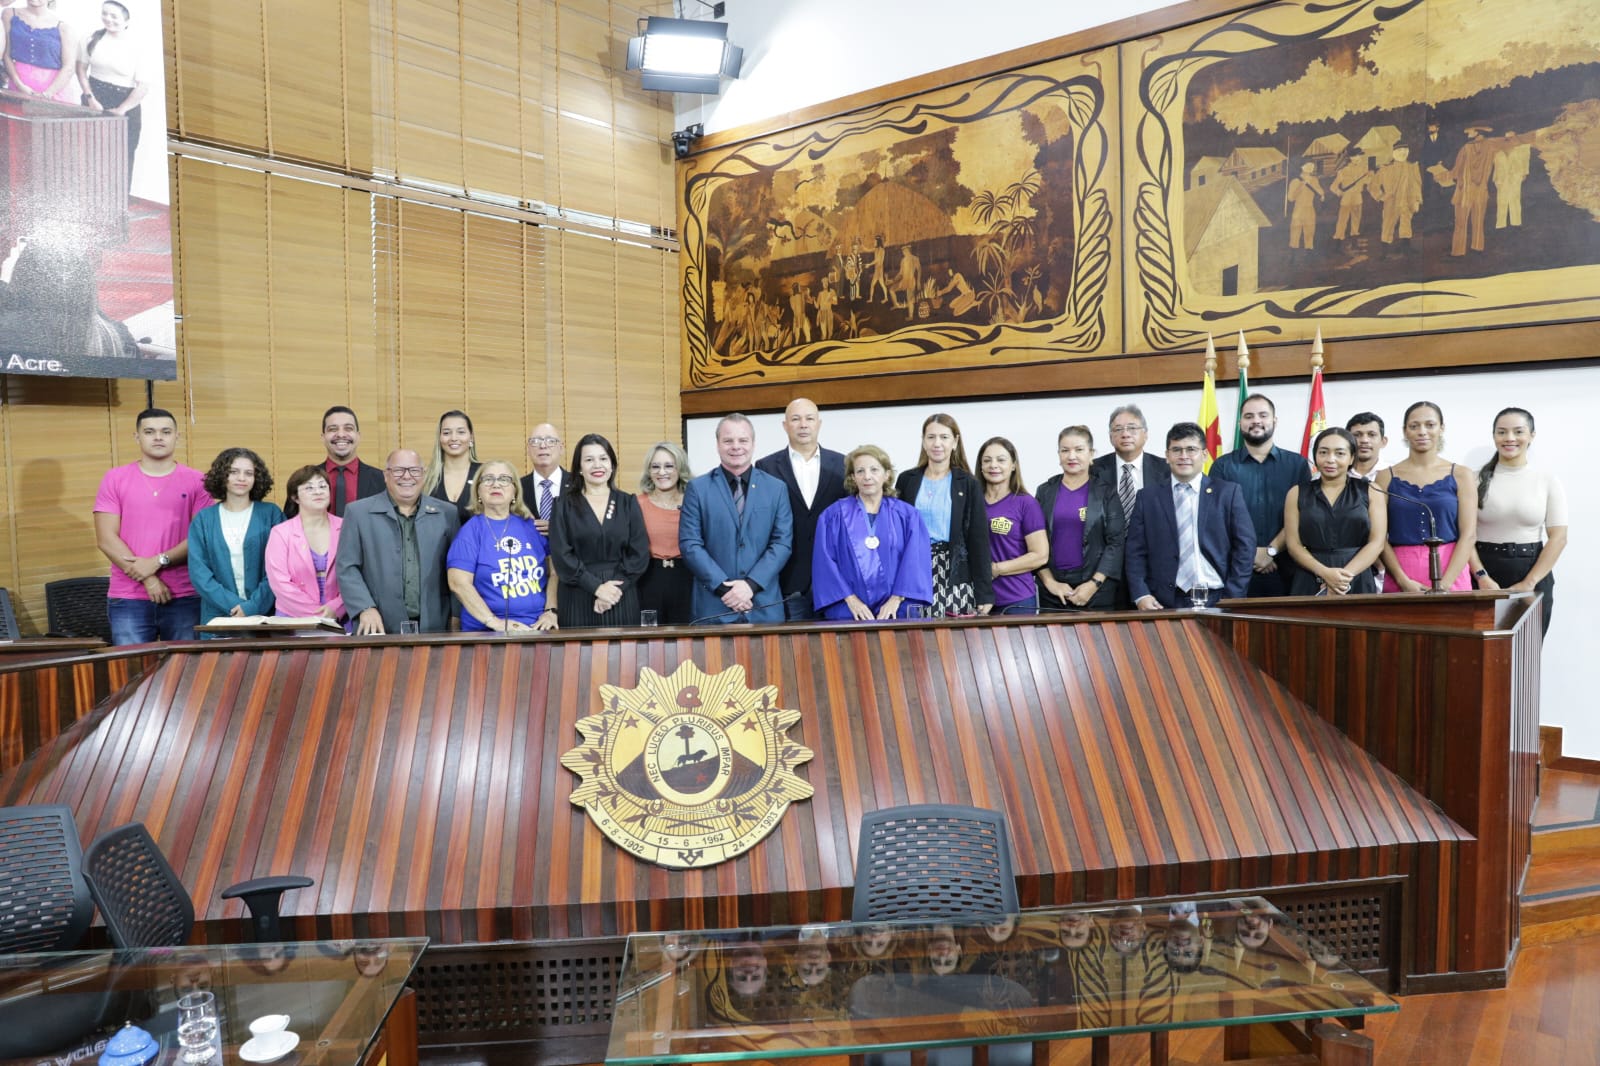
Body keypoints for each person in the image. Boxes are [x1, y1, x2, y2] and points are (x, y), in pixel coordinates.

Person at [93, 408, 213, 644]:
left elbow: (201, 538)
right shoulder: (115, 478)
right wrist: (148, 578)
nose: (158, 437)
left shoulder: (199, 482)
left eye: (165, 432)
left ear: (177, 437)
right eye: (150, 432)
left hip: (185, 595)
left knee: (184, 672)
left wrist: (159, 561)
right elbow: (106, 538)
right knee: (131, 673)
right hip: (128, 598)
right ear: (137, 437)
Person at [1125, 422, 1255, 609]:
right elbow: (1135, 552)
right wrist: (1141, 594)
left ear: (1204, 454)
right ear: (1167, 456)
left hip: (1218, 596)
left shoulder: (1228, 493)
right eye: (1176, 450)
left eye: (1191, 449)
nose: (1183, 456)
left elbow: (1245, 546)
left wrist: (1233, 596)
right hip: (1162, 601)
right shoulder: (1147, 498)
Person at [680, 414, 794, 624]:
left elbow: (782, 543)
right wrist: (726, 589)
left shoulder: (776, 488)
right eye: (728, 440)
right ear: (717, 444)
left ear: (753, 443)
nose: (736, 446)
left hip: (763, 606)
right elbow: (690, 544)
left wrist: (750, 585)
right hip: (714, 606)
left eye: (743, 440)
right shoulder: (698, 489)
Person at [336, 448, 461, 634]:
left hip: (436, 626)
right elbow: (347, 567)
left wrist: (456, 616)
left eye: (414, 470)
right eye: (398, 470)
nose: (407, 476)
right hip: (378, 626)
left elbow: (457, 569)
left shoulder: (447, 513)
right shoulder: (358, 513)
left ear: (423, 474)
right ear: (386, 475)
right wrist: (364, 607)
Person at [1468, 408, 1567, 634]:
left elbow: (1559, 538)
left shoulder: (1547, 479)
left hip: (1532, 570)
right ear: (1494, 436)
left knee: (1526, 654)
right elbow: (1466, 535)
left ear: (1532, 435)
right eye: (1502, 432)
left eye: (1518, 431)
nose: (1509, 438)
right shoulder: (1473, 479)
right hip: (1483, 573)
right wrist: (1481, 577)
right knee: (1481, 654)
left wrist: (1529, 583)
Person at [810, 445, 931, 620]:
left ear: (887, 474)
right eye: (860, 471)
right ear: (853, 477)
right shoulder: (833, 516)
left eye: (874, 469)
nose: (867, 476)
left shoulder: (907, 516)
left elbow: (915, 560)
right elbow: (825, 563)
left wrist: (896, 600)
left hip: (897, 607)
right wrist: (851, 600)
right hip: (848, 608)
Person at [755, 398, 848, 620]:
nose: (803, 424)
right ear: (785, 425)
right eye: (795, 419)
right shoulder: (765, 467)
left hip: (835, 578)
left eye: (809, 419)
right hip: (788, 579)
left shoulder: (843, 464)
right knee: (793, 651)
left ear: (819, 423)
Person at [1207, 394, 1308, 597]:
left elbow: (1303, 514)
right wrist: (1251, 553)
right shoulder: (1222, 466)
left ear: (1274, 421)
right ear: (1240, 423)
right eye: (1249, 416)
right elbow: (1217, 519)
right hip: (1236, 571)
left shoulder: (1297, 464)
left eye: (1263, 415)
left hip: (1287, 569)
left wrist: (1271, 551)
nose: (1256, 421)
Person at [895, 413, 993, 616]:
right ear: (923, 441)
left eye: (944, 437)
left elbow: (978, 540)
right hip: (914, 569)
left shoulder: (967, 483)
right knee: (915, 636)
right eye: (931, 437)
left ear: (955, 441)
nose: (937, 443)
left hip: (954, 571)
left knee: (954, 641)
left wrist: (984, 593)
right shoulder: (907, 480)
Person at [548, 434, 648, 628]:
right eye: (589, 460)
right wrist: (596, 588)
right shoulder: (562, 505)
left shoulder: (628, 503)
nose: (597, 465)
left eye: (603, 458)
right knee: (578, 657)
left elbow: (639, 553)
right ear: (579, 468)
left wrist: (611, 591)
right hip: (577, 593)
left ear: (612, 464)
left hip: (620, 593)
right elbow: (561, 555)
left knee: (625, 656)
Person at [447, 460, 559, 634]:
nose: (496, 484)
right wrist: (494, 622)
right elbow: (458, 583)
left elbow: (555, 571)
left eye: (504, 479)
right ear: (478, 491)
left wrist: (551, 611)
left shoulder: (531, 526)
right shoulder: (470, 532)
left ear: (515, 490)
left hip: (537, 628)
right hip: (487, 632)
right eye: (488, 479)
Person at [1377, 402, 1476, 593]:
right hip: (1400, 571)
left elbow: (1469, 535)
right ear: (1405, 431)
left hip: (1451, 569)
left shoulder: (1462, 474)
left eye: (1430, 425)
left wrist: (1444, 585)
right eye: (1414, 426)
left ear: (1442, 428)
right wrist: (1402, 580)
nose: (1422, 431)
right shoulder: (1385, 476)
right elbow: (1379, 537)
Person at [187, 448, 284, 629]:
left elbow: (280, 568)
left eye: (249, 473)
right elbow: (199, 573)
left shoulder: (271, 514)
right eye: (234, 472)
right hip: (218, 616)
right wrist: (233, 605)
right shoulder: (204, 519)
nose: (242, 478)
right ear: (222, 476)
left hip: (265, 616)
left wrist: (253, 606)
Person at [1283, 428, 1386, 596]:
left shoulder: (1370, 490)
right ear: (1315, 455)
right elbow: (1293, 545)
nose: (1330, 460)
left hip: (1357, 575)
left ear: (1352, 457)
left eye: (1339, 453)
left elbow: (1377, 543)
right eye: (1323, 452)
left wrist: (1342, 578)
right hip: (1310, 576)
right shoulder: (1296, 493)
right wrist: (1325, 573)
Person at [1036, 426, 1124, 611]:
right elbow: (1034, 543)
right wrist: (1050, 583)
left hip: (1097, 591)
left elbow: (1116, 543)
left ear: (1091, 454)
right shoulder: (1045, 491)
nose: (1071, 456)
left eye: (1079, 450)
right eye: (1065, 450)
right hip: (1053, 593)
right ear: (1058, 454)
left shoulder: (1106, 492)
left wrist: (1094, 584)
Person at [1091, 404, 1168, 607]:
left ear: (1145, 434)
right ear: (1110, 436)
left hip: (1152, 563)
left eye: (1132, 428)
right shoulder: (1094, 470)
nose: (1125, 434)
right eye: (1118, 429)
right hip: (1105, 566)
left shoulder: (1165, 470)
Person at [75, 1, 146, 186]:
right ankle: (88, 200)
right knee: (90, 152)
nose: (108, 19)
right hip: (94, 98)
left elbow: (143, 86)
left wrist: (121, 110)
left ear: (126, 19)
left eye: (114, 16)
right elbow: (81, 69)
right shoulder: (90, 37)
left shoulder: (138, 45)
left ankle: (117, 204)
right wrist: (90, 97)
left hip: (125, 103)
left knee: (122, 155)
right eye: (105, 13)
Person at [976, 437, 1047, 615]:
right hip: (978, 600)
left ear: (1013, 465)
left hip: (1016, 600)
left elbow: (1040, 556)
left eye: (1001, 460)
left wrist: (997, 569)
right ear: (981, 466)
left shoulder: (1026, 503)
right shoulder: (972, 502)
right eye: (987, 460)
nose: (993, 465)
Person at [264, 465, 344, 622]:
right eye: (309, 488)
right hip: (293, 618)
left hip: (340, 617)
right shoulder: (281, 532)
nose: (318, 491)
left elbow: (360, 574)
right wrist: (317, 616)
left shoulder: (347, 527)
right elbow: (280, 583)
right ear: (295, 497)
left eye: (323, 486)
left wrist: (337, 607)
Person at [635, 441, 693, 625]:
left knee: (687, 643)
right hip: (648, 581)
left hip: (688, 580)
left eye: (669, 466)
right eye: (655, 466)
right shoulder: (636, 503)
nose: (662, 472)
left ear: (680, 468)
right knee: (649, 643)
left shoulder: (694, 502)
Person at [3, 0, 79, 102]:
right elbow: (5, 54)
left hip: (54, 94)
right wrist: (19, 85)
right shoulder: (9, 14)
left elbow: (69, 67)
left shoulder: (64, 27)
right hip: (17, 89)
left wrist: (48, 94)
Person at [315, 406, 385, 517]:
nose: (341, 434)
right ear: (323, 437)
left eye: (348, 428)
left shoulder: (382, 480)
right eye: (333, 429)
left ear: (358, 436)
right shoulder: (305, 480)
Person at [422, 410, 481, 521]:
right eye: (446, 433)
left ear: (471, 437)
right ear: (439, 438)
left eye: (461, 432)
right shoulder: (426, 477)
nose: (453, 438)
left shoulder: (485, 474)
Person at [520, 423, 567, 536]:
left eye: (550, 441)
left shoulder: (578, 484)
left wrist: (558, 528)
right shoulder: (517, 487)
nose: (543, 446)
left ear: (561, 448)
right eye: (535, 441)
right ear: (528, 449)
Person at [1345, 412, 1387, 481]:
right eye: (1357, 435)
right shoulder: (1336, 473)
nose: (1364, 440)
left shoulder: (1394, 473)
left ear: (1383, 441)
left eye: (1371, 435)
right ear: (1346, 441)